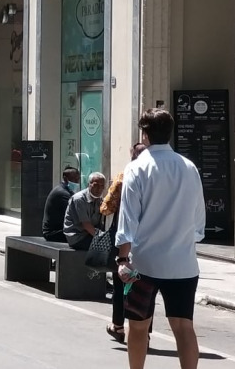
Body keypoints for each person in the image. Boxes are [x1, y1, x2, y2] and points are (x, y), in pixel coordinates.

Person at [117, 109, 205, 369]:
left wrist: (123, 257)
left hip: (144, 264)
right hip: (183, 263)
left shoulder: (136, 168)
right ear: (170, 133)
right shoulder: (189, 167)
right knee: (183, 326)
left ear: (144, 134)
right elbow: (199, 219)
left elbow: (128, 219)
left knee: (138, 325)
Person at [100, 142, 150, 344]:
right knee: (146, 288)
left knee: (121, 284)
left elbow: (105, 207)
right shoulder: (153, 176)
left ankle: (118, 326)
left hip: (124, 237)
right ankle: (144, 333)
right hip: (147, 238)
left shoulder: (123, 176)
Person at [63, 172, 107, 250]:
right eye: (96, 185)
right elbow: (86, 224)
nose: (99, 189)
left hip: (90, 234)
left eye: (102, 186)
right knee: (107, 247)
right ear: (89, 184)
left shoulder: (99, 200)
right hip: (78, 237)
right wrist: (102, 238)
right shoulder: (79, 199)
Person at [42, 166, 80, 242]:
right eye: (74, 179)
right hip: (53, 233)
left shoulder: (65, 190)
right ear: (66, 179)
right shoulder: (62, 194)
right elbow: (75, 215)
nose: (77, 182)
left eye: (78, 179)